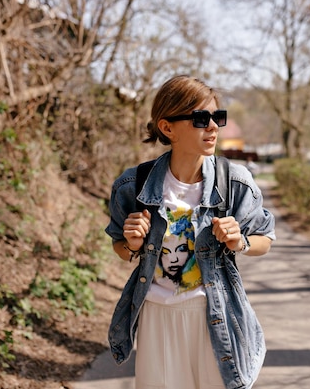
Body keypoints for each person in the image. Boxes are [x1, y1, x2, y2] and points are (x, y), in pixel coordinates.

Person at [105, 75, 276, 389]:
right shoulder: (134, 185)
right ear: (167, 127)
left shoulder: (234, 182)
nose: (213, 126)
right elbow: (121, 246)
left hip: (214, 316)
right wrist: (131, 243)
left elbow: (264, 240)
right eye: (201, 118)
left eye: (217, 118)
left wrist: (240, 241)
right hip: (156, 318)